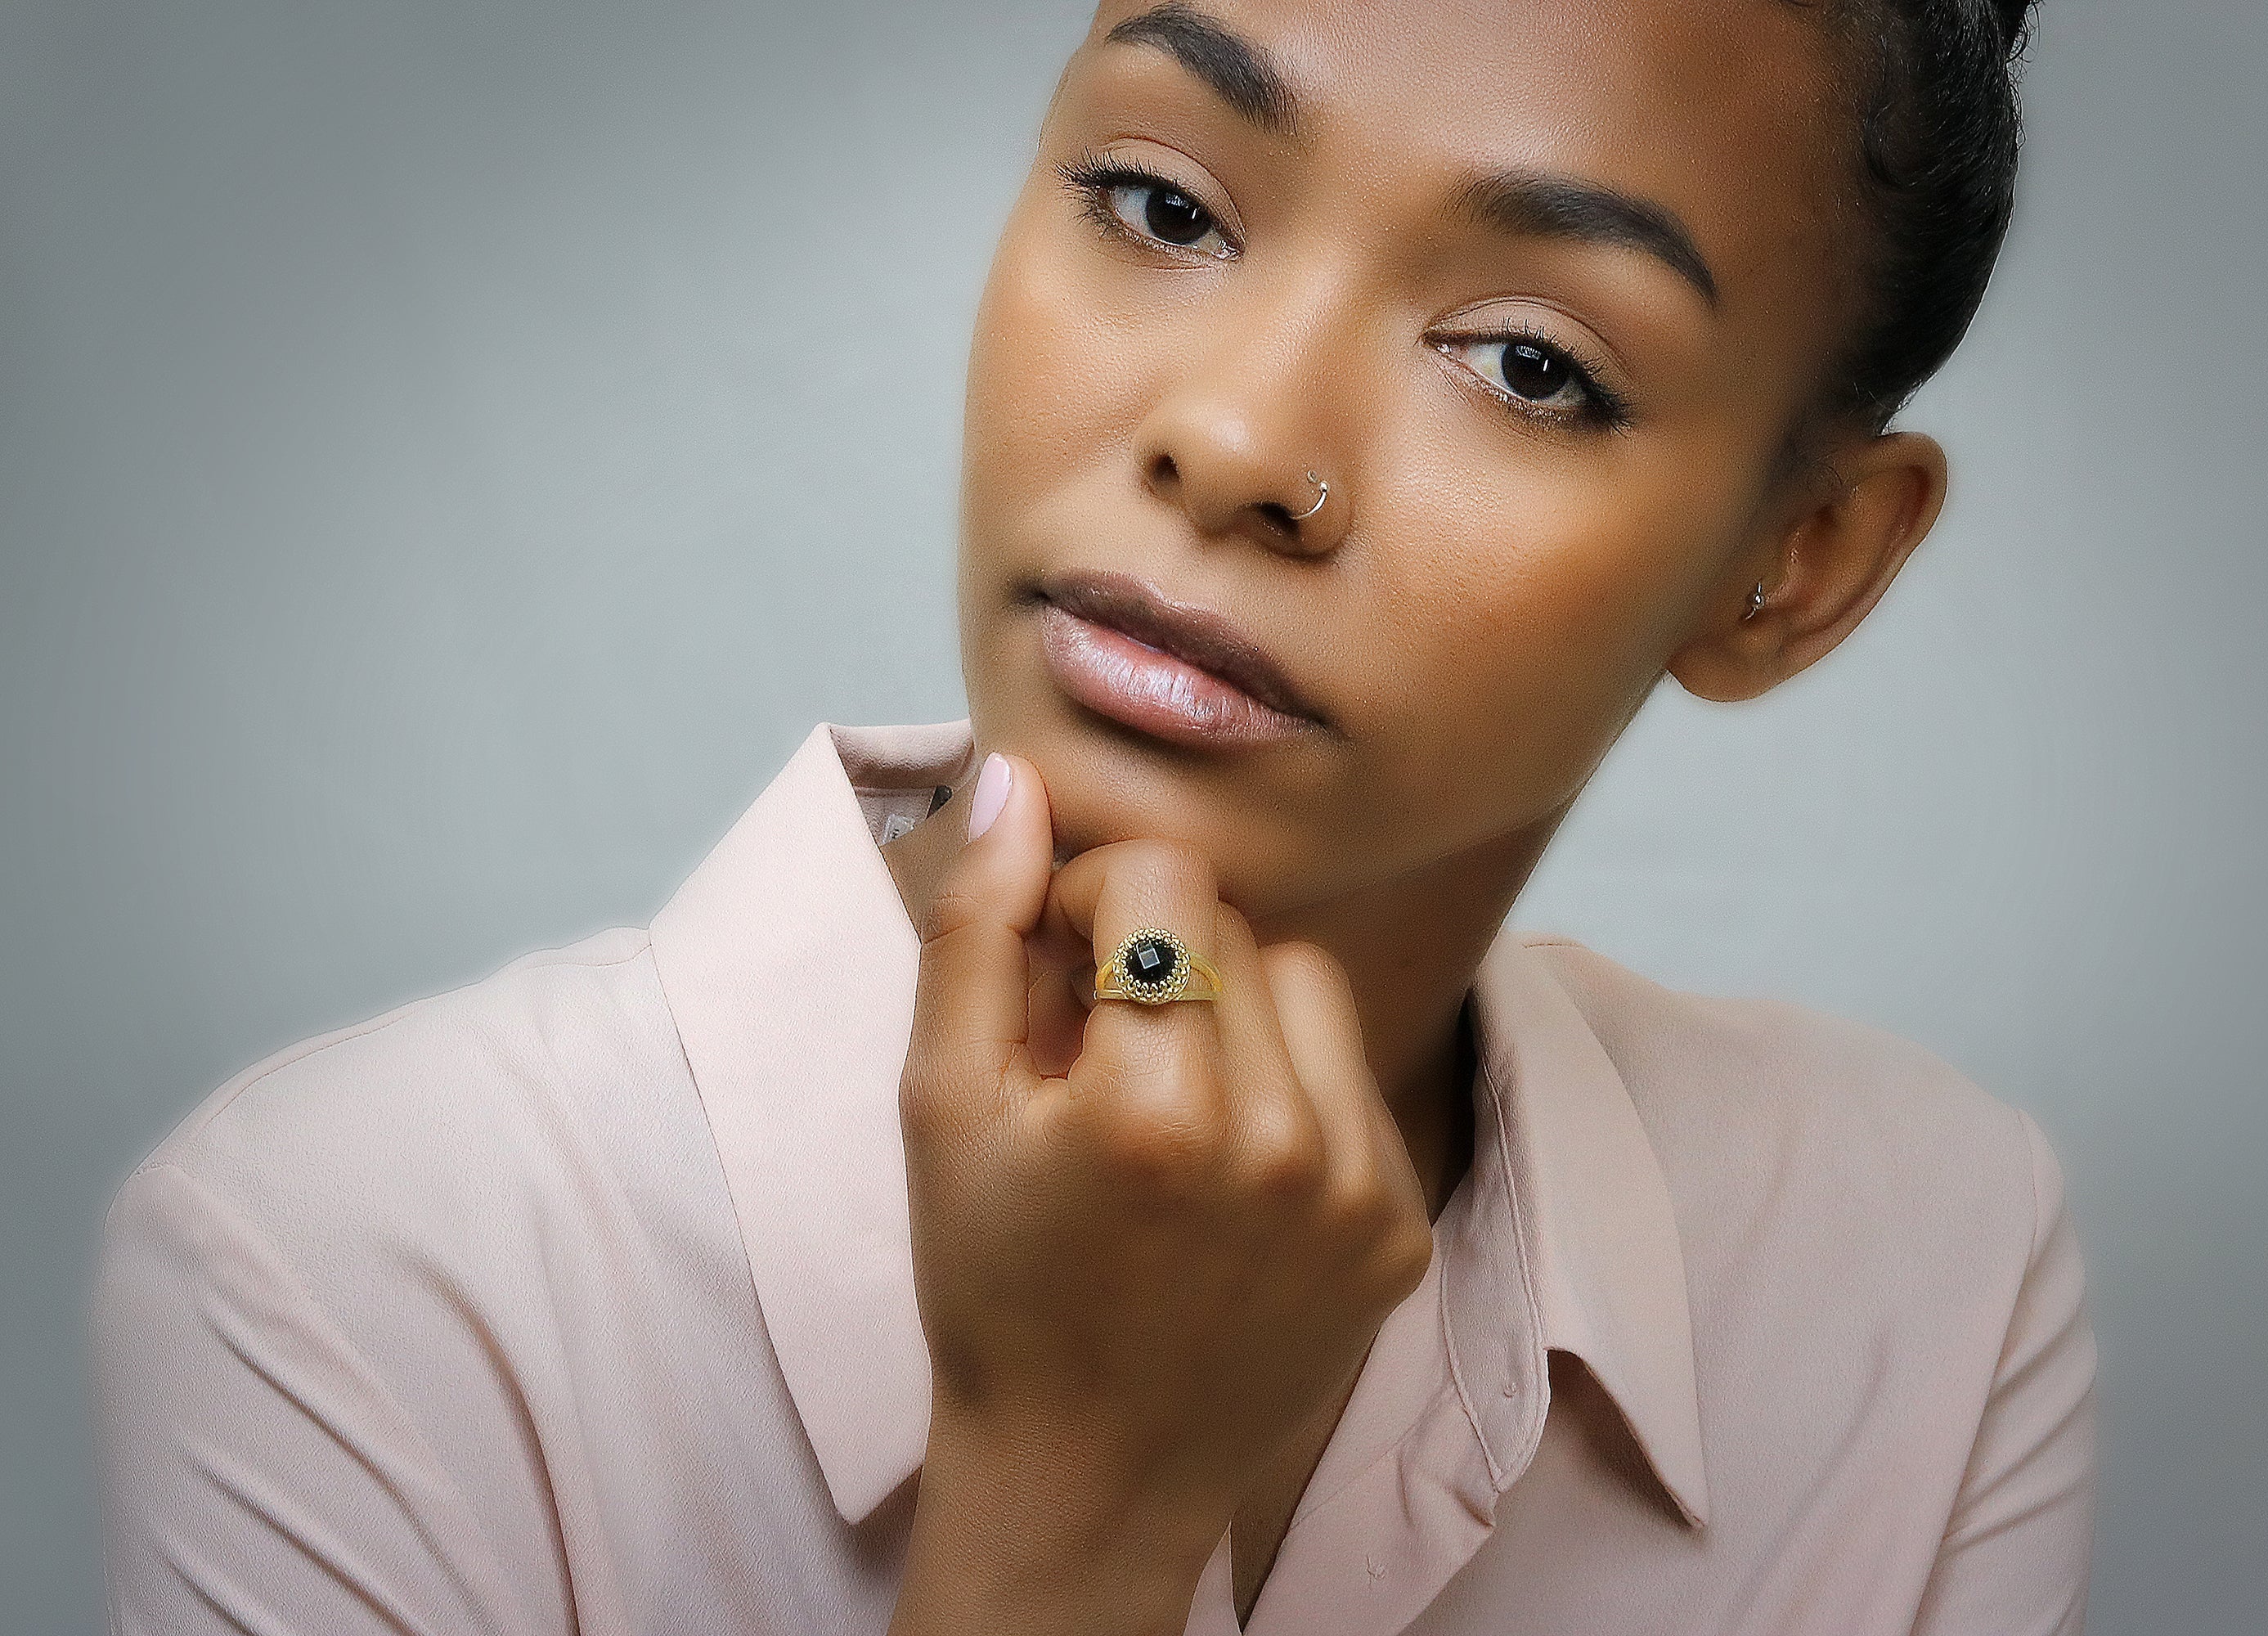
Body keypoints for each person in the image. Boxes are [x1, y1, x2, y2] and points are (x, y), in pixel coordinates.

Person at [88, 2, 2096, 1633]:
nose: (1236, 445)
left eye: (1526, 363)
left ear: (1799, 561)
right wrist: (1074, 1516)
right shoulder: (355, 1268)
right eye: (1161, 204)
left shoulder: (1923, 1259)